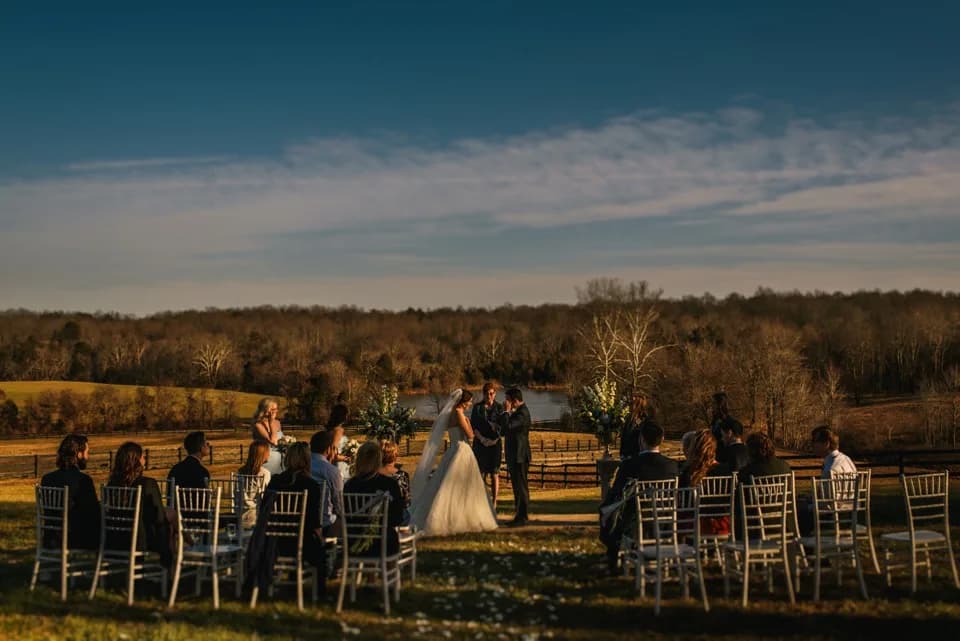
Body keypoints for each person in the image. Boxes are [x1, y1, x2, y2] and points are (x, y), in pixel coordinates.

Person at [409, 389, 498, 536]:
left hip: (452, 449)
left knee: (446, 483)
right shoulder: (458, 413)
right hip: (462, 449)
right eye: (469, 401)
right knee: (463, 485)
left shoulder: (450, 414)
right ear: (462, 402)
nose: (470, 404)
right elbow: (469, 435)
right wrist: (469, 423)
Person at [599, 420, 678, 573]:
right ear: (662, 440)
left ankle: (613, 553)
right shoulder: (672, 465)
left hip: (634, 521)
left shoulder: (629, 465)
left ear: (641, 440)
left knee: (608, 510)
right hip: (665, 518)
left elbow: (616, 493)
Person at [263, 442, 327, 582]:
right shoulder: (311, 485)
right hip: (301, 541)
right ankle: (320, 592)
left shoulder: (275, 481)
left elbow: (264, 510)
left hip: (275, 539)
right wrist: (320, 536)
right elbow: (313, 519)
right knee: (322, 554)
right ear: (307, 461)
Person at [107, 441, 171, 567]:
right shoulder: (148, 484)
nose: (144, 459)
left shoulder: (112, 485)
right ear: (136, 460)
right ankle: (170, 570)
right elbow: (159, 517)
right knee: (169, 525)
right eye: (142, 456)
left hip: (115, 537)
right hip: (140, 540)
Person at [344, 441, 406, 554]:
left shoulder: (349, 485)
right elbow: (397, 519)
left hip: (353, 542)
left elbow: (347, 515)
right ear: (379, 460)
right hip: (383, 544)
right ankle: (389, 570)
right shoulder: (389, 484)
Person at [40, 433, 100, 550]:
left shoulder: (47, 479)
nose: (87, 457)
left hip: (51, 537)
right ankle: (105, 565)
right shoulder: (83, 480)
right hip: (73, 538)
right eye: (87, 452)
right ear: (78, 454)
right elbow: (92, 511)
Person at [499, 387, 532, 526]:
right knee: (517, 487)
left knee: (521, 487)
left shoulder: (522, 414)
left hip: (520, 455)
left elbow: (508, 427)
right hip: (514, 455)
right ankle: (519, 515)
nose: (506, 402)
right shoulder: (517, 413)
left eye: (508, 400)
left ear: (515, 400)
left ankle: (522, 517)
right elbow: (504, 431)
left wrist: (506, 412)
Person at [470, 382, 503, 510]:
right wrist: (482, 439)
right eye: (487, 393)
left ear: (495, 394)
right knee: (481, 473)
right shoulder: (477, 408)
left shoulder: (499, 408)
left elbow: (503, 426)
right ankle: (482, 501)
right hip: (480, 444)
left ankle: (494, 502)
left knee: (495, 473)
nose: (489, 396)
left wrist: (494, 440)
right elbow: (474, 426)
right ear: (483, 394)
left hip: (495, 445)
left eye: (491, 393)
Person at [309, 430, 344, 537]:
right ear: (329, 449)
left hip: (301, 520)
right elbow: (339, 503)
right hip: (324, 523)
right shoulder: (330, 470)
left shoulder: (302, 464)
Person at [236, 441, 272, 529]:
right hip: (257, 516)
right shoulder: (265, 473)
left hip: (240, 514)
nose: (270, 454)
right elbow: (265, 496)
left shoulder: (240, 471)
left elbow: (238, 493)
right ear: (263, 454)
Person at [252, 398, 285, 475]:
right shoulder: (258, 425)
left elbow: (280, 440)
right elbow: (273, 441)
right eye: (273, 409)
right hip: (267, 459)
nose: (275, 411)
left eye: (276, 409)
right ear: (265, 410)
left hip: (279, 460)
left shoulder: (277, 423)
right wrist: (271, 422)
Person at [379, 440, 411, 512]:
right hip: (395, 517)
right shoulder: (403, 475)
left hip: (377, 517)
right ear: (395, 456)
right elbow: (407, 502)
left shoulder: (373, 475)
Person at [619, 392, 652, 460]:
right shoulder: (628, 419)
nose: (630, 405)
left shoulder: (645, 419)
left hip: (638, 455)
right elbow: (624, 436)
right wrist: (622, 453)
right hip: (626, 455)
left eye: (633, 403)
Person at [326, 399, 351, 482]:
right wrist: (346, 458)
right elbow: (333, 454)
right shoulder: (338, 431)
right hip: (339, 465)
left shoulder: (330, 430)